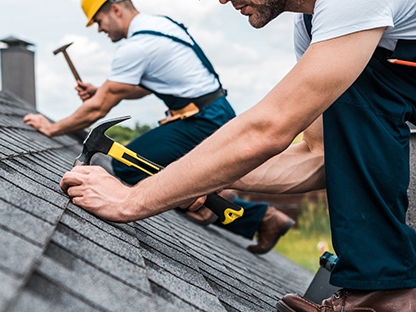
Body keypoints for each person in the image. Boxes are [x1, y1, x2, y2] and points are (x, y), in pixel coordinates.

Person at [60, 0, 416, 312]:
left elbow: (268, 129)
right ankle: (385, 287)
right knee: (351, 85)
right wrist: (205, 179)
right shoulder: (313, 30)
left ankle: (385, 286)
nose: (220, 0)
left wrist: (130, 201)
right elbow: (318, 155)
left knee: (355, 82)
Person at [23, 0, 294, 254]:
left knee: (126, 166)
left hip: (200, 121)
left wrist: (52, 127)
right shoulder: (160, 25)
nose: (100, 29)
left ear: (116, 9)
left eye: (99, 20)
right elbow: (142, 87)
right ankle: (231, 205)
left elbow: (97, 109)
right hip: (213, 111)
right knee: (157, 168)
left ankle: (237, 208)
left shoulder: (136, 46)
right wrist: (102, 89)